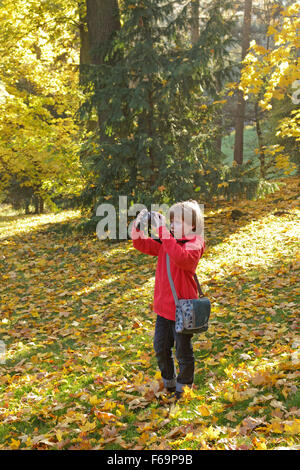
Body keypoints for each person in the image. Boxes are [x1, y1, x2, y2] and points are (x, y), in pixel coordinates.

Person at [131, 200, 205, 399]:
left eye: (178, 222)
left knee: (182, 350)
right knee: (161, 347)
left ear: (193, 225)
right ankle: (170, 383)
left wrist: (164, 232)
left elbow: (183, 259)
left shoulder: (195, 242)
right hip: (163, 308)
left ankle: (184, 386)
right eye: (171, 222)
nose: (173, 226)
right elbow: (141, 244)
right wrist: (139, 225)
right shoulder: (168, 240)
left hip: (184, 307)